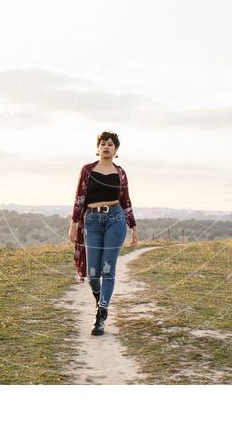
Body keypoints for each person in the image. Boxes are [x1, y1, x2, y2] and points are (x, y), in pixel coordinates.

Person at [69, 131, 138, 336]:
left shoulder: (121, 172)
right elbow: (80, 197)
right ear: (98, 148)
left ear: (116, 150)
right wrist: (73, 222)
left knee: (108, 268)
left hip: (115, 220)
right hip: (92, 221)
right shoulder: (87, 170)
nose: (106, 147)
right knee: (92, 273)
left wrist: (133, 226)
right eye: (103, 144)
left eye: (111, 144)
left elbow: (125, 200)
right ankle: (100, 301)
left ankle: (101, 314)